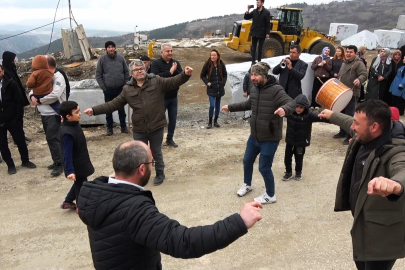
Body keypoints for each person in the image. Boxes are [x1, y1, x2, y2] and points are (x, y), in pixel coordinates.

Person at [77, 140, 263, 269]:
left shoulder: (98, 193)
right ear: (142, 169)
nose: (152, 165)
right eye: (151, 162)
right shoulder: (134, 210)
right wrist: (239, 221)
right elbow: (184, 242)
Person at [318, 100, 405, 270]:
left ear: (374, 127)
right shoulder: (368, 134)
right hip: (364, 222)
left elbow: (402, 167)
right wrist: (332, 115)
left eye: (357, 123)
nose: (353, 126)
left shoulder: (396, 150)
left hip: (382, 235)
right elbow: (349, 122)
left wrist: (395, 183)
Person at [84, 60, 193, 186]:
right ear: (132, 73)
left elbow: (173, 82)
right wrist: (94, 110)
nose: (140, 71)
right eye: (136, 69)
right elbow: (113, 104)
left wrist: (185, 74)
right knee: (138, 154)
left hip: (156, 125)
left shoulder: (156, 80)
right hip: (139, 128)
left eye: (141, 68)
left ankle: (160, 173)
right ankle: (140, 177)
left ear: (145, 70)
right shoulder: (127, 89)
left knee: (156, 152)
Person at [221, 62, 295, 204]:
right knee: (247, 161)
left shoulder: (276, 90)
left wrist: (285, 109)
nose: (252, 77)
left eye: (255, 75)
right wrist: (230, 107)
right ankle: (247, 185)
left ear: (264, 75)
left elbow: (290, 102)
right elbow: (248, 104)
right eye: (251, 74)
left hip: (269, 137)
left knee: (264, 167)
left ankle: (270, 195)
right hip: (254, 135)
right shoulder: (254, 88)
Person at [30, 55, 66, 176]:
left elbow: (55, 95)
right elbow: (32, 88)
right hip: (44, 114)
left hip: (53, 113)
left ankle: (59, 163)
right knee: (52, 138)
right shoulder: (41, 75)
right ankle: (58, 160)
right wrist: (32, 96)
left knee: (52, 138)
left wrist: (40, 101)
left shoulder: (58, 77)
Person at [282, 94, 329, 181]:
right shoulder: (289, 112)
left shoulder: (309, 115)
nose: (298, 109)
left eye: (301, 107)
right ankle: (288, 172)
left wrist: (332, 117)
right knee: (287, 158)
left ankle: (298, 172)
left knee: (299, 158)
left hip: (301, 142)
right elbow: (279, 110)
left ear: (305, 108)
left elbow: (321, 118)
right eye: (296, 106)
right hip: (290, 140)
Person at [0, 64, 36, 175]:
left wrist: (17, 117)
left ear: (2, 72)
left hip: (12, 119)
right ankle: (10, 165)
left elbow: (18, 102)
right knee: (2, 145)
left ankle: (25, 161)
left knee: (20, 141)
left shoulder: (10, 84)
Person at [59, 101, 94, 210]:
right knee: (82, 186)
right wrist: (70, 171)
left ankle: (68, 201)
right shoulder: (67, 134)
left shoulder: (75, 125)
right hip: (76, 166)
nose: (80, 114)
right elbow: (67, 154)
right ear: (68, 116)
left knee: (79, 182)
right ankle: (81, 207)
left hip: (82, 161)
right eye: (77, 112)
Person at [151, 43, 183, 147]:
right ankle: (157, 141)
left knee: (173, 119)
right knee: (159, 120)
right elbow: (156, 78)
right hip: (161, 97)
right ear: (161, 52)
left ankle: (170, 139)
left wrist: (173, 73)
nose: (170, 53)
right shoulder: (155, 64)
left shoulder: (176, 63)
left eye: (171, 51)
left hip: (173, 96)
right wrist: (170, 72)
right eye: (167, 51)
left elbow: (181, 77)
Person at [95, 41, 129, 136]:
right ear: (106, 49)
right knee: (108, 109)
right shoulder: (102, 59)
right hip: (108, 90)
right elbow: (98, 74)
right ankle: (109, 128)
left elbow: (126, 72)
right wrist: (104, 87)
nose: (111, 49)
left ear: (115, 48)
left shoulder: (121, 58)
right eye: (109, 47)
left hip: (120, 89)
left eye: (112, 47)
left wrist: (125, 85)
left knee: (121, 109)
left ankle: (123, 127)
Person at [336, 45, 367, 145]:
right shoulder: (344, 62)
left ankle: (349, 135)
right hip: (342, 93)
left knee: (349, 115)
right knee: (341, 113)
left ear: (355, 53)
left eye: (351, 52)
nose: (348, 54)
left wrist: (359, 80)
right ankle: (342, 131)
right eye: (347, 52)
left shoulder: (359, 63)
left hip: (352, 93)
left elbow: (364, 74)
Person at [2, 51, 31, 142]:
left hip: (18, 97)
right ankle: (17, 139)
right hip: (12, 100)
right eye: (13, 59)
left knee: (20, 118)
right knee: (15, 120)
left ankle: (21, 135)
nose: (14, 61)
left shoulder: (11, 69)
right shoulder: (4, 71)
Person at [200, 49, 227, 129]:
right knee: (212, 105)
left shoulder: (221, 64)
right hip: (211, 88)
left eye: (214, 55)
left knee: (218, 105)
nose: (212, 57)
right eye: (211, 55)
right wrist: (207, 82)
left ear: (217, 56)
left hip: (219, 88)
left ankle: (215, 121)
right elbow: (202, 75)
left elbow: (225, 74)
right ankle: (209, 122)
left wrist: (223, 83)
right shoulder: (207, 64)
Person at [244, 0, 271, 65]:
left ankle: (259, 62)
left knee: (260, 49)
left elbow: (268, 24)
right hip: (254, 32)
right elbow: (246, 17)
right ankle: (253, 62)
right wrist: (247, 11)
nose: (257, 4)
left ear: (262, 3)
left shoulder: (266, 12)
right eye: (257, 2)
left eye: (258, 2)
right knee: (253, 48)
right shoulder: (254, 11)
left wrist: (267, 33)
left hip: (262, 33)